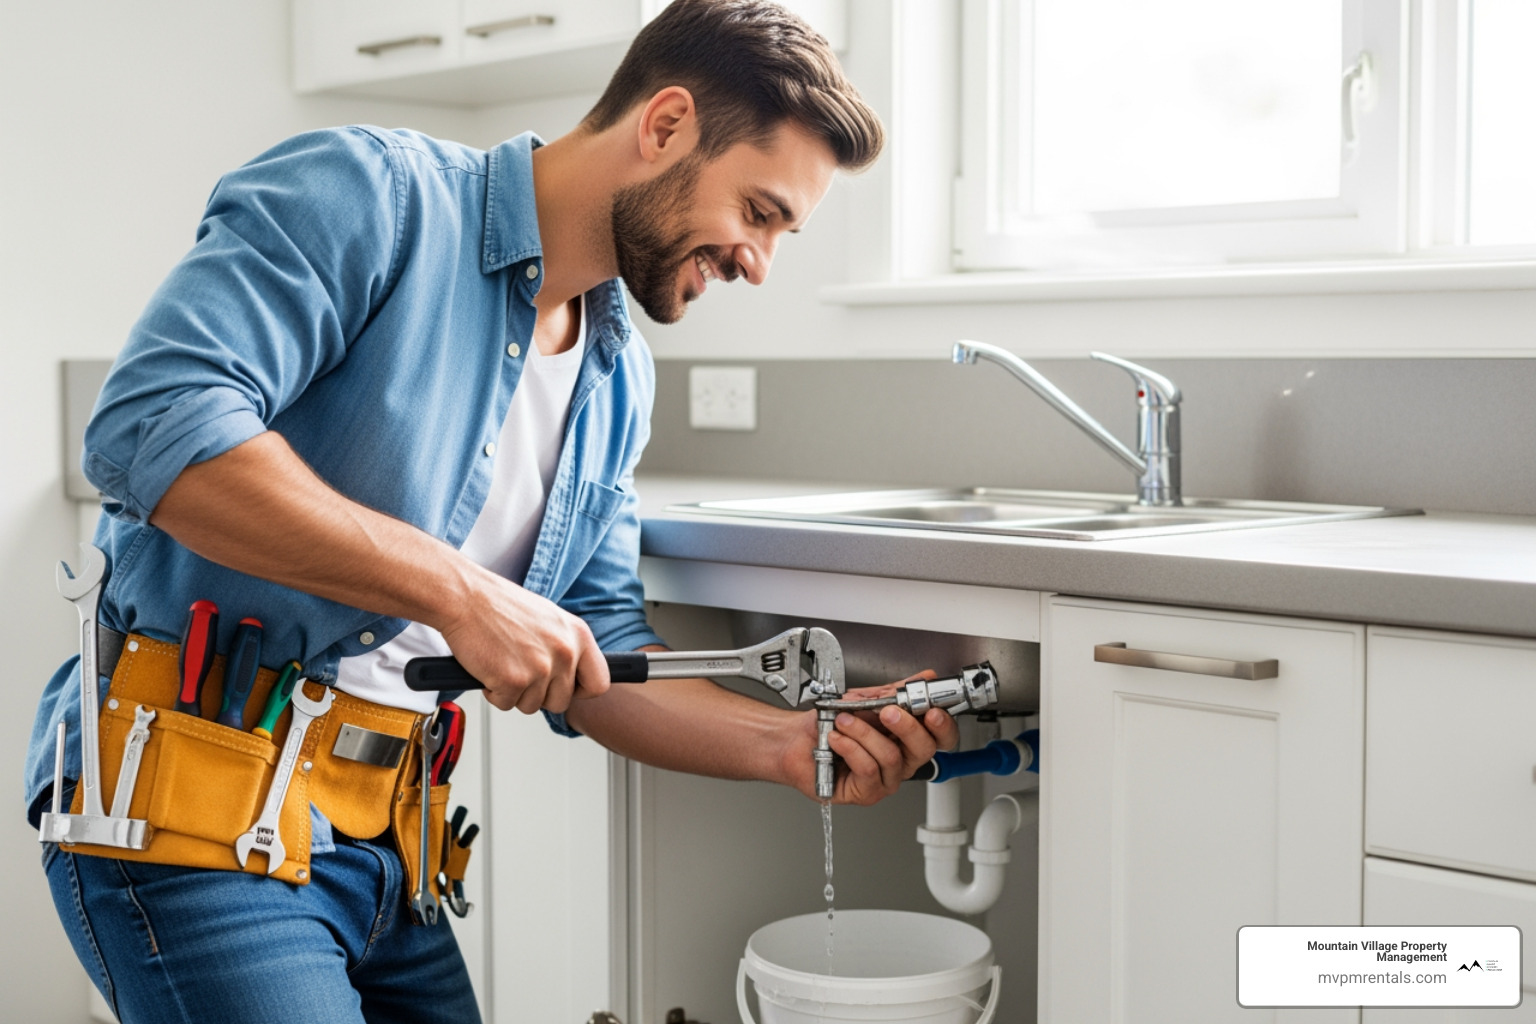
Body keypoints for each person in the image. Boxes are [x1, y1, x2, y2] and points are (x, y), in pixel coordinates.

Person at [24, 1, 958, 1021]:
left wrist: (791, 744)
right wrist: (462, 592)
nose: (758, 261)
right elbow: (154, 423)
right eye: (761, 211)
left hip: (392, 854)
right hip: (195, 821)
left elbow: (595, 659)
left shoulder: (615, 378)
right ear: (666, 126)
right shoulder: (371, 194)